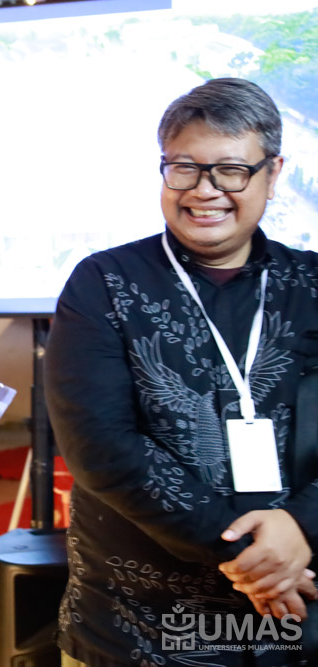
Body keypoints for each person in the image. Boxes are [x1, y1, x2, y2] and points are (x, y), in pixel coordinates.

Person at [46, 77, 318, 667]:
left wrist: (301, 527)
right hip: (139, 627)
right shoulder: (105, 282)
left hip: (300, 617)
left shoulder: (313, 285)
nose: (204, 190)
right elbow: (100, 446)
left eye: (230, 171)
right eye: (184, 168)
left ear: (273, 174)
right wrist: (255, 557)